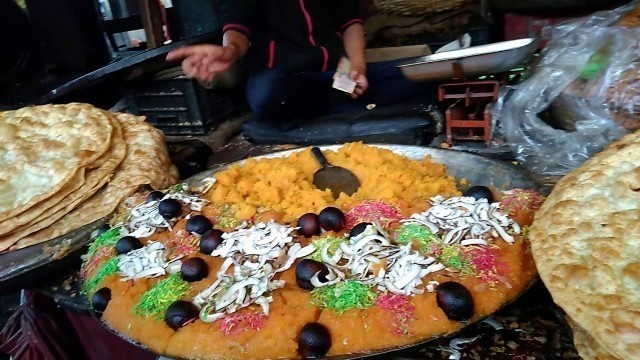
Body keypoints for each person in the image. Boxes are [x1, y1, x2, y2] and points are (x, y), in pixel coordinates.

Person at [166, 0, 431, 129]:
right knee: (266, 93)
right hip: (286, 82)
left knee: (419, 74)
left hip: (335, 76)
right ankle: (340, 104)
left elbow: (351, 24)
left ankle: (342, 100)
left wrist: (357, 69)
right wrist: (230, 51)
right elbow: (238, 28)